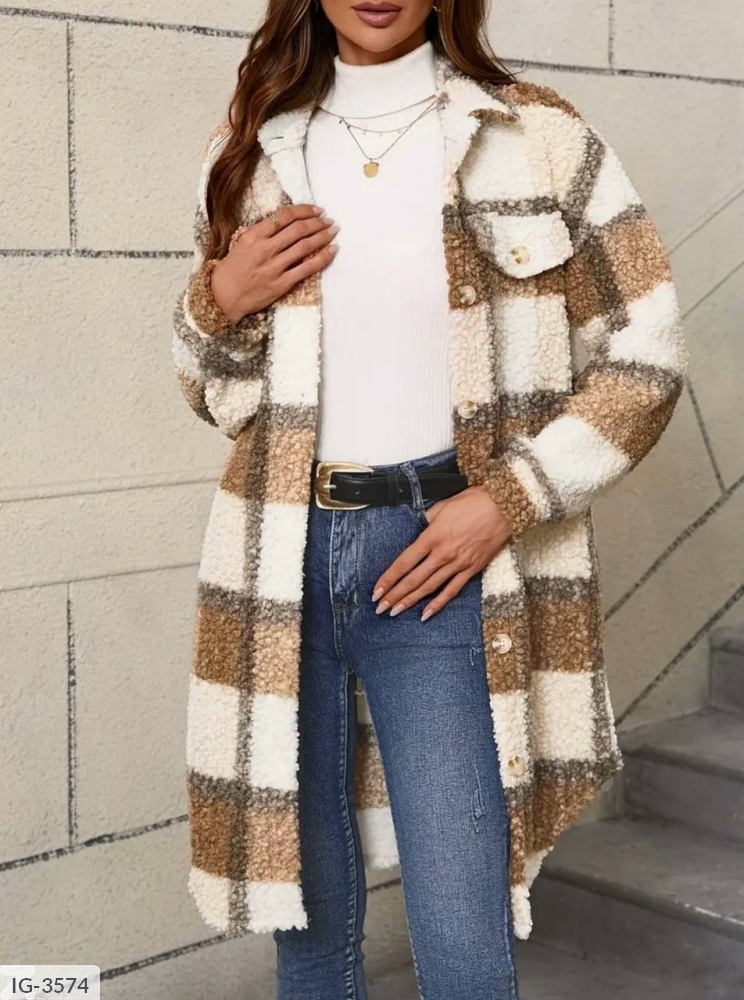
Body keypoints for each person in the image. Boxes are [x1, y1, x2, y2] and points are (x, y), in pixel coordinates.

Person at [172, 1, 688, 998]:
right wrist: (218, 303)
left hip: (447, 558)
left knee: (462, 941)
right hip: (279, 562)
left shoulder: (537, 136)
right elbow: (219, 398)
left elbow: (647, 354)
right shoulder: (252, 152)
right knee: (306, 929)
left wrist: (509, 499)